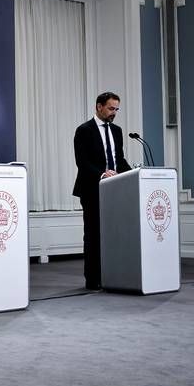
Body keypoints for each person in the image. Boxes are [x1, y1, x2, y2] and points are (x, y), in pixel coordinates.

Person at [72, 91, 131, 290]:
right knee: (93, 234)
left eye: (116, 109)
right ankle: (92, 278)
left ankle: (112, 274)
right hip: (91, 189)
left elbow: (119, 160)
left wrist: (135, 174)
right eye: (111, 108)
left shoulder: (117, 131)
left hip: (115, 190)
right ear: (99, 106)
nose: (114, 112)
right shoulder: (84, 130)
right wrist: (102, 174)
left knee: (113, 234)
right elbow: (82, 162)